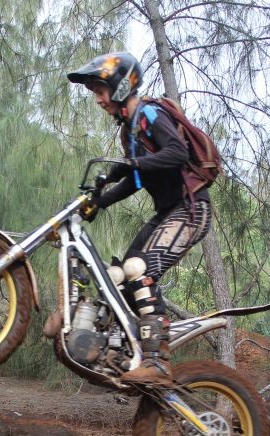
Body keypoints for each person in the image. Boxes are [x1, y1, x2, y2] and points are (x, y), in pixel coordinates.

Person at [67, 51, 213, 385]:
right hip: (167, 214)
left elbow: (176, 153)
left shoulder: (150, 113)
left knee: (139, 271)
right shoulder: (129, 132)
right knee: (118, 275)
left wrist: (131, 164)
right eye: (94, 93)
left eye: (99, 91)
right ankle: (123, 352)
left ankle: (157, 361)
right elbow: (137, 181)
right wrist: (100, 201)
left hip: (189, 211)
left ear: (119, 87)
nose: (98, 100)